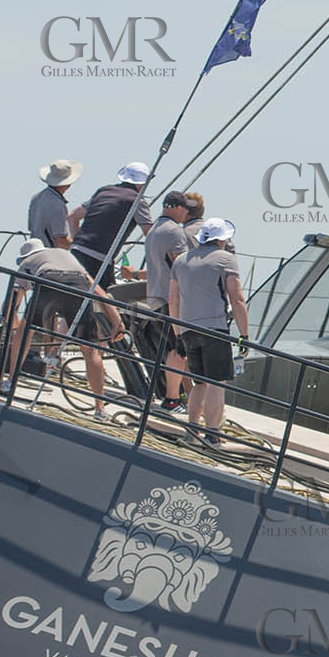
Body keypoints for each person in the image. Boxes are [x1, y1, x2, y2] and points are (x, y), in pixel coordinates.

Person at [3, 238, 125, 415]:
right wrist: (117, 322)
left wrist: (11, 326)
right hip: (77, 285)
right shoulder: (65, 255)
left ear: (23, 258)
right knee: (90, 349)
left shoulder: (26, 265)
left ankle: (10, 381)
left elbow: (11, 305)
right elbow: (98, 290)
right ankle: (100, 408)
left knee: (25, 331)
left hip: (49, 280)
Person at [169, 218, 250, 447]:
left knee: (200, 383)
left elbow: (172, 300)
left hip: (187, 329)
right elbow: (237, 298)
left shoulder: (181, 261)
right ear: (222, 240)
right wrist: (244, 334)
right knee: (216, 382)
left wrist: (177, 334)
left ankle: (192, 432)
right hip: (214, 328)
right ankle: (213, 435)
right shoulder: (226, 259)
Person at [67, 162, 154, 292]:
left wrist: (77, 243)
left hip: (76, 251)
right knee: (110, 300)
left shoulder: (103, 191)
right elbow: (151, 234)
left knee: (76, 295)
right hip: (99, 258)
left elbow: (72, 217)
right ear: (142, 183)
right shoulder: (137, 201)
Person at [142, 191, 193, 413]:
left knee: (173, 351)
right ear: (175, 207)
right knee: (178, 351)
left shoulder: (153, 230)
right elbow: (182, 268)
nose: (187, 213)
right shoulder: (174, 232)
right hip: (170, 300)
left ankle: (187, 398)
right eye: (185, 208)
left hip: (154, 298)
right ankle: (172, 401)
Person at [29, 159, 82, 248]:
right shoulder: (57, 204)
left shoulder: (36, 197)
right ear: (69, 183)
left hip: (35, 251)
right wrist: (80, 244)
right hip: (50, 255)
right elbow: (60, 241)